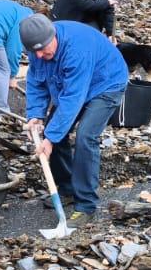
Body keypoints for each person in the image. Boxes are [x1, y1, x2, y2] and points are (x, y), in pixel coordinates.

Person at [20, 15, 127, 226]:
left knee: (86, 136)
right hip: (73, 88)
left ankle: (86, 204)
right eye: (35, 52)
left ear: (53, 35)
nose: (40, 55)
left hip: (106, 84)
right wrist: (35, 115)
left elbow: (72, 99)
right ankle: (67, 189)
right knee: (54, 131)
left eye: (43, 49)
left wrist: (49, 138)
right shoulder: (38, 51)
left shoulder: (77, 49)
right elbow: (35, 82)